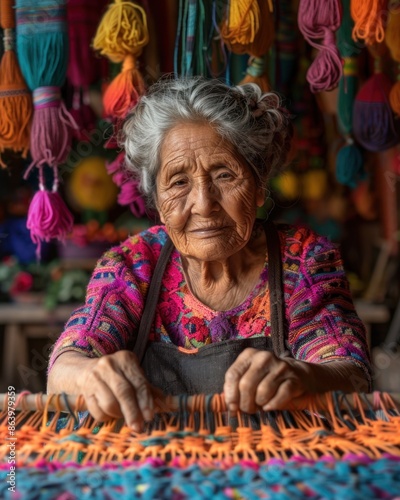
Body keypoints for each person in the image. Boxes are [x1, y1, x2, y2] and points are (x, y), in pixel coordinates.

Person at [47, 77, 371, 431]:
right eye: (179, 181)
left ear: (259, 185)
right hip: (152, 471)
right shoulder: (133, 264)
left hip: (275, 473)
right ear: (156, 200)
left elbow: (351, 375)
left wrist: (305, 377)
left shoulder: (305, 261)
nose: (204, 204)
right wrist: (89, 376)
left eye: (224, 174)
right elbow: (66, 366)